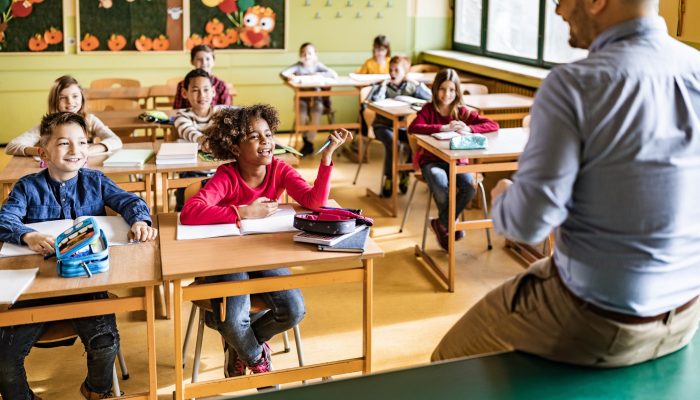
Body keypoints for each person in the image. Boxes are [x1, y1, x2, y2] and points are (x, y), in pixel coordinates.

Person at [431, 0, 700, 368]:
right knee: (544, 269)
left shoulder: (575, 84)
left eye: (560, 0)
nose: (557, 11)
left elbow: (528, 225)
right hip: (686, 312)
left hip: (601, 320)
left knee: (446, 358)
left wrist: (504, 198)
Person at [180, 104, 351, 378]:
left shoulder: (279, 170)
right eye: (254, 137)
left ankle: (240, 347)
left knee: (294, 309)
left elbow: (315, 202)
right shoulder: (227, 176)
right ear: (235, 148)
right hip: (226, 259)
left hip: (264, 254)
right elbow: (189, 212)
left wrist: (327, 157)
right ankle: (258, 361)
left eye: (269, 134)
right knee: (234, 321)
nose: (266, 142)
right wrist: (242, 211)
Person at [0, 112, 157, 400]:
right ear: (43, 151)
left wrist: (139, 221)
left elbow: (131, 201)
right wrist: (28, 235)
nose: (75, 150)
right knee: (4, 359)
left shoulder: (95, 180)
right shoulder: (27, 186)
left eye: (82, 142)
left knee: (106, 343)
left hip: (86, 281)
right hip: (37, 287)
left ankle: (96, 390)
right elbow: (4, 219)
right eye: (63, 143)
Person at [408, 68, 498, 251]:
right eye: (442, 89)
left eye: (451, 89)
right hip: (431, 161)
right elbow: (414, 127)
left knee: (469, 186)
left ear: (457, 91)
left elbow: (493, 125)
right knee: (440, 184)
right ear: (435, 89)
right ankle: (449, 223)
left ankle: (441, 223)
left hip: (458, 163)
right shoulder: (428, 110)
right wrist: (442, 127)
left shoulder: (462, 112)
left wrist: (469, 129)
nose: (446, 94)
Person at [6, 75, 123, 157]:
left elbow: (116, 141)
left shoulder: (90, 120)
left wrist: (88, 150)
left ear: (82, 98)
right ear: (54, 101)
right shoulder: (47, 125)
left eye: (75, 96)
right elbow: (11, 146)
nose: (70, 102)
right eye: (63, 98)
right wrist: (41, 151)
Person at [366, 55, 431, 197]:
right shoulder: (383, 85)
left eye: (397, 70)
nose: (392, 73)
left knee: (415, 142)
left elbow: (431, 98)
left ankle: (406, 173)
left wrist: (417, 84)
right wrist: (382, 86)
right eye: (391, 69)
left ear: (405, 73)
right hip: (382, 126)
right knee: (392, 142)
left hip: (403, 127)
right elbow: (371, 102)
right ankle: (389, 177)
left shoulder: (411, 86)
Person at [173, 68, 233, 210]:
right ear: (184, 93)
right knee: (187, 205)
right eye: (195, 90)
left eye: (206, 90)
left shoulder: (222, 113)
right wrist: (203, 140)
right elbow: (189, 132)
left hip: (220, 173)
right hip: (191, 174)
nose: (202, 95)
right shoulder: (182, 115)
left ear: (213, 92)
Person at [280, 42, 339, 155]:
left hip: (316, 99)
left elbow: (333, 74)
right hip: (302, 100)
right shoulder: (298, 66)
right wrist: (291, 76)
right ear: (300, 55)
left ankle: (309, 142)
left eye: (309, 53)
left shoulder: (318, 65)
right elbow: (283, 73)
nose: (307, 56)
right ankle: (306, 140)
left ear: (315, 55)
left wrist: (318, 75)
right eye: (304, 53)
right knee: (301, 117)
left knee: (315, 116)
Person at [173, 44, 231, 109]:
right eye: (199, 59)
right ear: (192, 61)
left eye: (208, 59)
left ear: (213, 61)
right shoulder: (182, 85)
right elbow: (177, 110)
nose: (204, 62)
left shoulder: (221, 85)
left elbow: (227, 111)